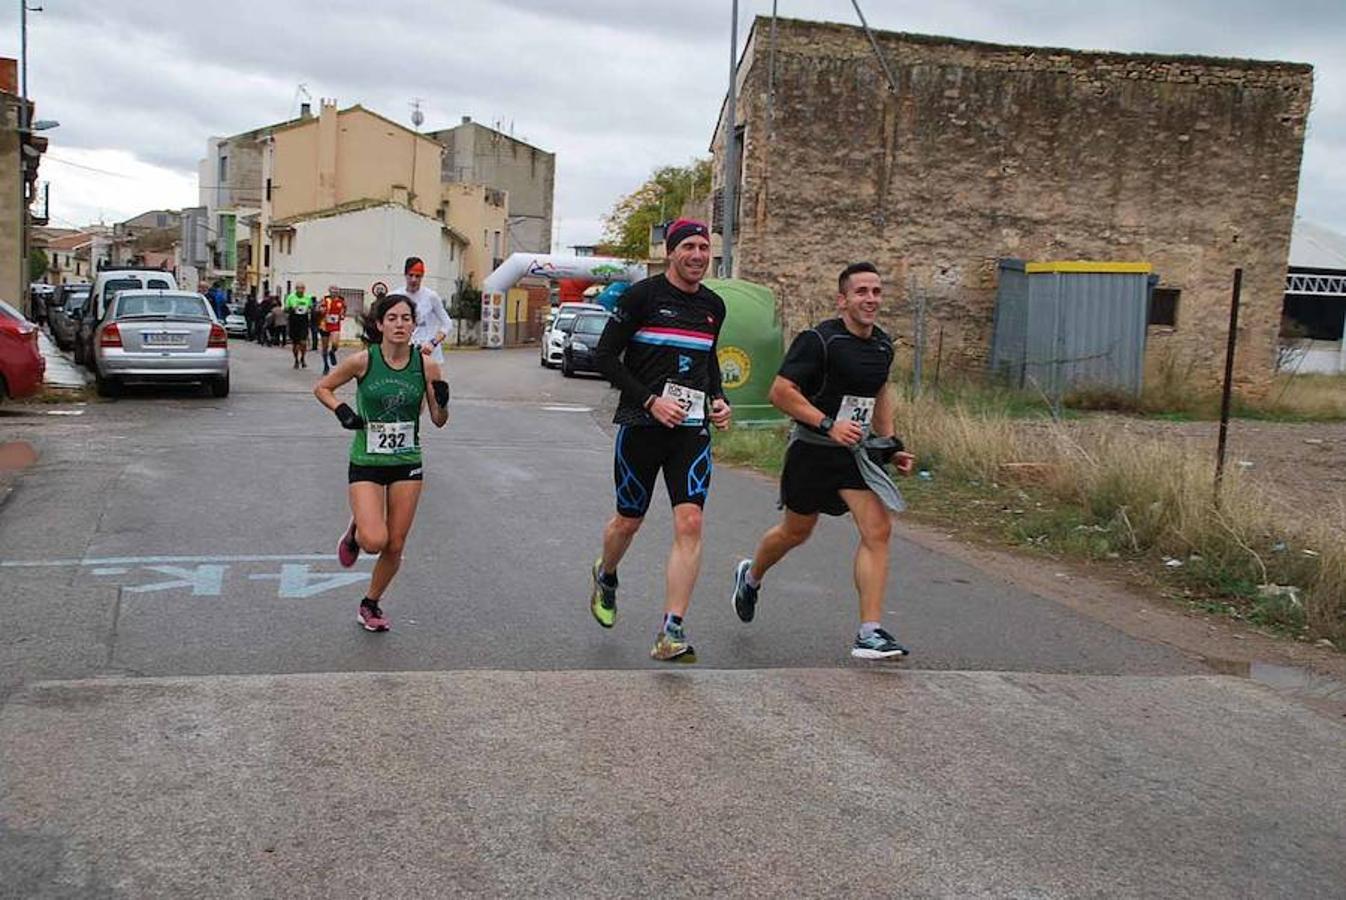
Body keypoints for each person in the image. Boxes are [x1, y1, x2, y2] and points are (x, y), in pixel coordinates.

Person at [730, 262, 917, 660]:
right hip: (812, 450)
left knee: (878, 530)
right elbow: (780, 392)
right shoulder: (818, 341)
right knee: (796, 532)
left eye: (876, 292)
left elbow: (879, 393)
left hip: (855, 455)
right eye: (861, 292)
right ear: (842, 300)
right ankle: (751, 575)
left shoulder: (883, 345)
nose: (870, 299)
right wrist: (828, 423)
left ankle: (870, 632)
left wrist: (891, 444)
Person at [590, 218, 732, 662]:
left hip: (691, 432)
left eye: (703, 248)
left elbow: (707, 361)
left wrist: (719, 399)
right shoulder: (642, 297)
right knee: (628, 521)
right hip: (641, 424)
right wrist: (650, 402)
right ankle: (607, 572)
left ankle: (671, 629)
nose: (696, 255)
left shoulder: (714, 306)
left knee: (690, 522)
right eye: (687, 246)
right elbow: (605, 357)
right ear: (671, 252)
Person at [313, 292, 450, 632]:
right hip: (367, 460)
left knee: (396, 543)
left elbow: (438, 419)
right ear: (380, 324)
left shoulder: (427, 365)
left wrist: (443, 401)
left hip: (407, 460)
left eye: (406, 318)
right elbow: (323, 388)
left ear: (414, 324)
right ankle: (358, 528)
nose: (400, 324)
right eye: (392, 318)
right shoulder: (363, 361)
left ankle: (370, 603)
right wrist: (342, 410)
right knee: (374, 541)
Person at [400, 257, 452, 366]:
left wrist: (433, 343)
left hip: (429, 355)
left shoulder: (431, 296)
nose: (414, 279)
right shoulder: (395, 296)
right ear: (405, 275)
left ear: (422, 276)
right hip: (404, 354)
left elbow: (447, 323)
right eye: (411, 275)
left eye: (418, 276)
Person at [284, 282, 314, 369]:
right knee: (295, 344)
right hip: (294, 321)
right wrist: (291, 308)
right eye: (298, 288)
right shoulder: (291, 297)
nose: (300, 290)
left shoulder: (308, 298)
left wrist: (310, 309)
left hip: (303, 321)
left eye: (302, 288)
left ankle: (303, 358)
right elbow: (285, 309)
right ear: (296, 289)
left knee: (303, 342)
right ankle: (296, 359)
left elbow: (311, 307)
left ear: (304, 289)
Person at [318, 286, 347, 374]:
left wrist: (342, 315)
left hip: (335, 325)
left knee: (335, 343)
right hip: (325, 325)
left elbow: (344, 310)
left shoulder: (341, 301)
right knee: (325, 347)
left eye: (336, 291)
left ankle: (332, 352)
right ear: (329, 292)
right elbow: (319, 309)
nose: (334, 293)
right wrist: (321, 310)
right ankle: (326, 365)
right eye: (332, 291)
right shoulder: (325, 300)